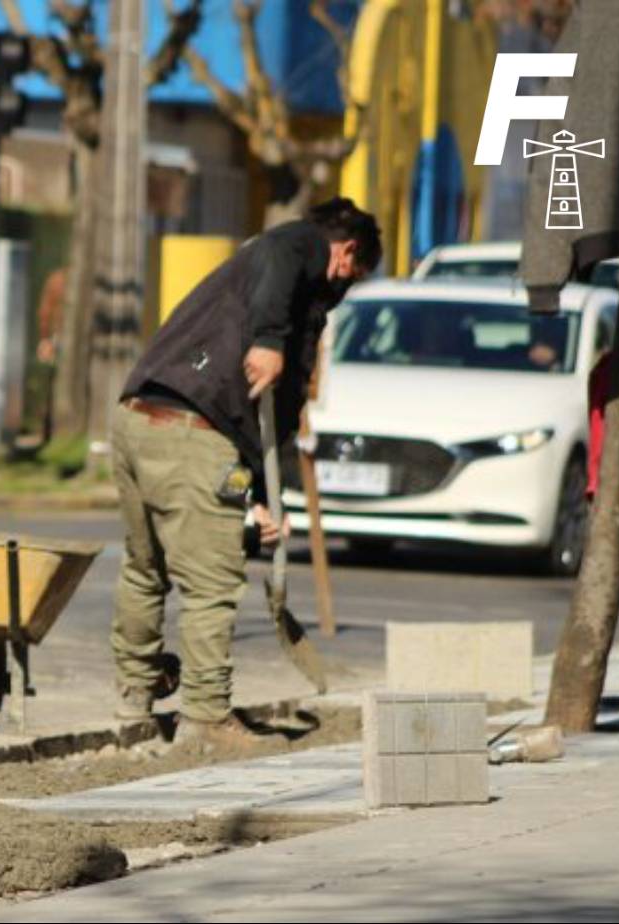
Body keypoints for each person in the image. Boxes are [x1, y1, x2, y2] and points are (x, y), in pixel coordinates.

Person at [110, 198, 381, 749]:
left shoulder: (250, 282)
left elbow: (266, 421)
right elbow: (287, 248)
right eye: (354, 275)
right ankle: (206, 719)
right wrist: (269, 341)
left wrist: (257, 497)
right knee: (212, 583)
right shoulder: (297, 249)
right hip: (195, 429)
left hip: (136, 418)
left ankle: (134, 700)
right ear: (347, 251)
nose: (345, 287)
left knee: (145, 569)